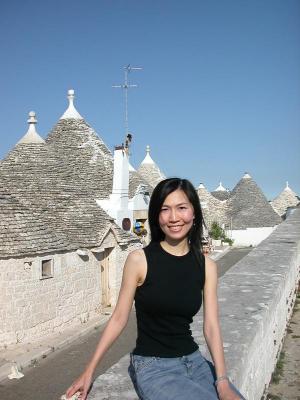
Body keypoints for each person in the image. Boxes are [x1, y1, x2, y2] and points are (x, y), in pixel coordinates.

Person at [65, 178, 246, 400]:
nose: (173, 218)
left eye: (182, 208)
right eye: (165, 209)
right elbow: (119, 318)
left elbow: (211, 325)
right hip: (153, 367)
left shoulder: (207, 266)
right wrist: (88, 371)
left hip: (195, 362)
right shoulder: (139, 261)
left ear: (194, 213)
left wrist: (222, 380)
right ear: (156, 216)